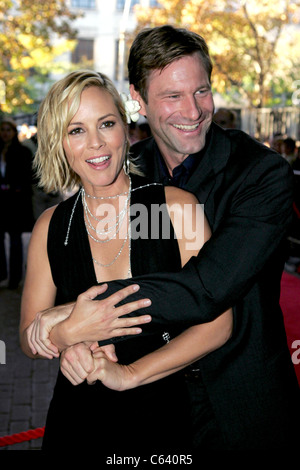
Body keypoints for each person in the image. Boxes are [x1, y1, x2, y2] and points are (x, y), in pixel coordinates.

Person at [22, 25, 300, 450]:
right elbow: (38, 329)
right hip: (138, 405)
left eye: (201, 92)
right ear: (139, 100)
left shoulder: (261, 174)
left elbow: (209, 288)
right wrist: (66, 338)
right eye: (172, 96)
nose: (192, 110)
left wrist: (71, 318)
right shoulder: (124, 172)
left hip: (240, 405)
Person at [19, 69, 233, 453]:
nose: (96, 144)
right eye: (76, 130)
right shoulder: (50, 227)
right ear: (59, 143)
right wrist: (68, 335)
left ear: (126, 127)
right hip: (75, 420)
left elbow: (217, 324)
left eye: (106, 123)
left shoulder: (175, 208)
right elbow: (28, 339)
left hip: (160, 420)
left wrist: (128, 374)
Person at [0, 118, 34, 289]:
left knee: (15, 240)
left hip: (16, 203)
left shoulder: (22, 151)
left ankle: (15, 278)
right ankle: (3, 275)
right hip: (1, 202)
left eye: (8, 129)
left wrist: (16, 188)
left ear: (14, 132)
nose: (5, 132)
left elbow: (28, 176)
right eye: (2, 129)